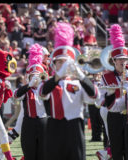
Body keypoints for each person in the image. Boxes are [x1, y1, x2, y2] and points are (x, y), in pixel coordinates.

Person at [39, 22, 100, 160]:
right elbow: (43, 93)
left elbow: (94, 95)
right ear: (54, 65)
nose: (63, 65)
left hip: (75, 128)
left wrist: (82, 76)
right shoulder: (49, 83)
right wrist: (57, 77)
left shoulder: (78, 82)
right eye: (59, 62)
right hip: (54, 127)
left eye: (66, 62)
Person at [97, 24, 128, 160]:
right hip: (114, 115)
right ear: (114, 60)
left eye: (125, 59)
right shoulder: (105, 77)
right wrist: (110, 93)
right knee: (116, 149)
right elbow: (100, 100)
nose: (123, 62)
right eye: (120, 59)